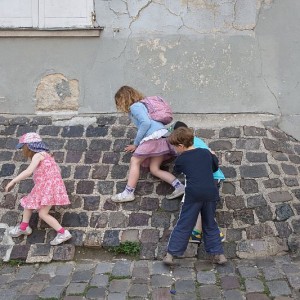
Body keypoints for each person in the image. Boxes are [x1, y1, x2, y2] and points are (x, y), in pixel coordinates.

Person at [163, 127, 227, 266]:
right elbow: (215, 168)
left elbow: (177, 170)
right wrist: (213, 156)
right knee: (210, 223)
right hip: (211, 192)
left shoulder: (181, 159)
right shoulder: (205, 153)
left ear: (181, 146)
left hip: (194, 194)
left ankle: (170, 254)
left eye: (175, 147)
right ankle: (219, 255)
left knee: (184, 223)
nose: (174, 150)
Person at [111, 86, 185, 203]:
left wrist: (136, 144)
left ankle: (128, 192)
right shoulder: (142, 105)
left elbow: (145, 123)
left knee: (135, 161)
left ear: (123, 98)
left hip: (153, 137)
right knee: (154, 169)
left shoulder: (135, 106)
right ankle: (179, 186)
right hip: (162, 136)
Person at [5, 132, 72, 246]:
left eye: (23, 147)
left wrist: (13, 181)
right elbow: (57, 171)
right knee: (33, 206)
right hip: (50, 186)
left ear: (29, 146)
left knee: (38, 211)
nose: (23, 150)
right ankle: (25, 227)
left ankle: (62, 233)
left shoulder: (38, 155)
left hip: (46, 186)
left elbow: (29, 171)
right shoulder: (47, 155)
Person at [171, 121, 225, 243]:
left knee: (200, 203)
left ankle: (217, 234)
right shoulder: (193, 141)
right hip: (211, 176)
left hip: (210, 177)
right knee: (201, 204)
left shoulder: (191, 146)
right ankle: (197, 232)